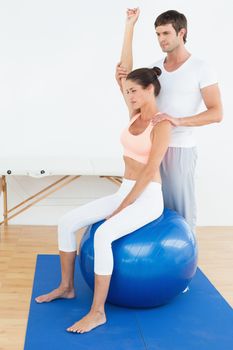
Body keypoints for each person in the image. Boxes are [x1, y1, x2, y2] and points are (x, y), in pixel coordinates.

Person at [35, 9, 171, 334]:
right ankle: (67, 286)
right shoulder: (134, 115)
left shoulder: (161, 123)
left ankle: (97, 312)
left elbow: (151, 168)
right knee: (67, 222)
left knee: (105, 234)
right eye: (127, 93)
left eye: (134, 91)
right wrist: (129, 26)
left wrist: (122, 208)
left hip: (148, 198)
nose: (129, 95)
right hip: (125, 190)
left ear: (150, 89)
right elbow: (123, 72)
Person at [116, 9, 223, 233]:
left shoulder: (201, 68)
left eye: (165, 33)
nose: (161, 39)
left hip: (178, 150)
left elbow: (216, 113)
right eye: (157, 34)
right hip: (150, 147)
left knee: (180, 213)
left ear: (181, 32)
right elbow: (127, 76)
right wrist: (129, 27)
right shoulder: (155, 68)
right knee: (152, 209)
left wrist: (177, 120)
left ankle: (188, 262)